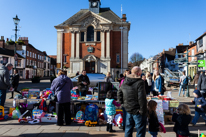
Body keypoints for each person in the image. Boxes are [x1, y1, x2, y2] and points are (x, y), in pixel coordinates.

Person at [117, 66, 147, 137]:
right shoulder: (140, 82)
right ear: (138, 73)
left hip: (128, 109)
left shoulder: (125, 81)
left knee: (128, 129)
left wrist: (123, 104)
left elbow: (119, 93)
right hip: (137, 110)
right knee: (140, 131)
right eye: (141, 73)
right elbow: (141, 98)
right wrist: (143, 111)